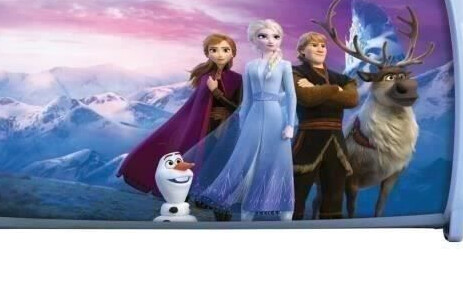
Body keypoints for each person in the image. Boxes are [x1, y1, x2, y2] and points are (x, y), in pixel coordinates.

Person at [186, 19, 296, 221]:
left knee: (278, 162)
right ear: (254, 40)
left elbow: (291, 95)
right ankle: (246, 208)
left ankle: (284, 207)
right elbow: (247, 100)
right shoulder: (251, 66)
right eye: (263, 36)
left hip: (276, 119)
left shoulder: (285, 65)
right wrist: (241, 123)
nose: (270, 40)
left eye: (276, 36)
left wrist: (290, 124)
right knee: (243, 160)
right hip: (253, 116)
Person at [118, 34, 241, 200]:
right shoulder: (205, 77)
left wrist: (217, 95)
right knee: (188, 158)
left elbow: (239, 107)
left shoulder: (237, 79)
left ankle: (204, 195)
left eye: (225, 50)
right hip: (200, 127)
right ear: (207, 53)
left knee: (214, 163)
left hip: (223, 128)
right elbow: (197, 107)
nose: (220, 54)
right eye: (214, 50)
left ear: (233, 53)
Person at [291, 31, 358, 220]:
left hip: (336, 142)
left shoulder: (343, 78)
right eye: (314, 45)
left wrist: (318, 90)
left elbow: (352, 99)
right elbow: (307, 98)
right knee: (297, 195)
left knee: (334, 196)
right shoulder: (294, 72)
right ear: (302, 51)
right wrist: (335, 90)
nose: (320, 49)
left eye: (323, 45)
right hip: (307, 140)